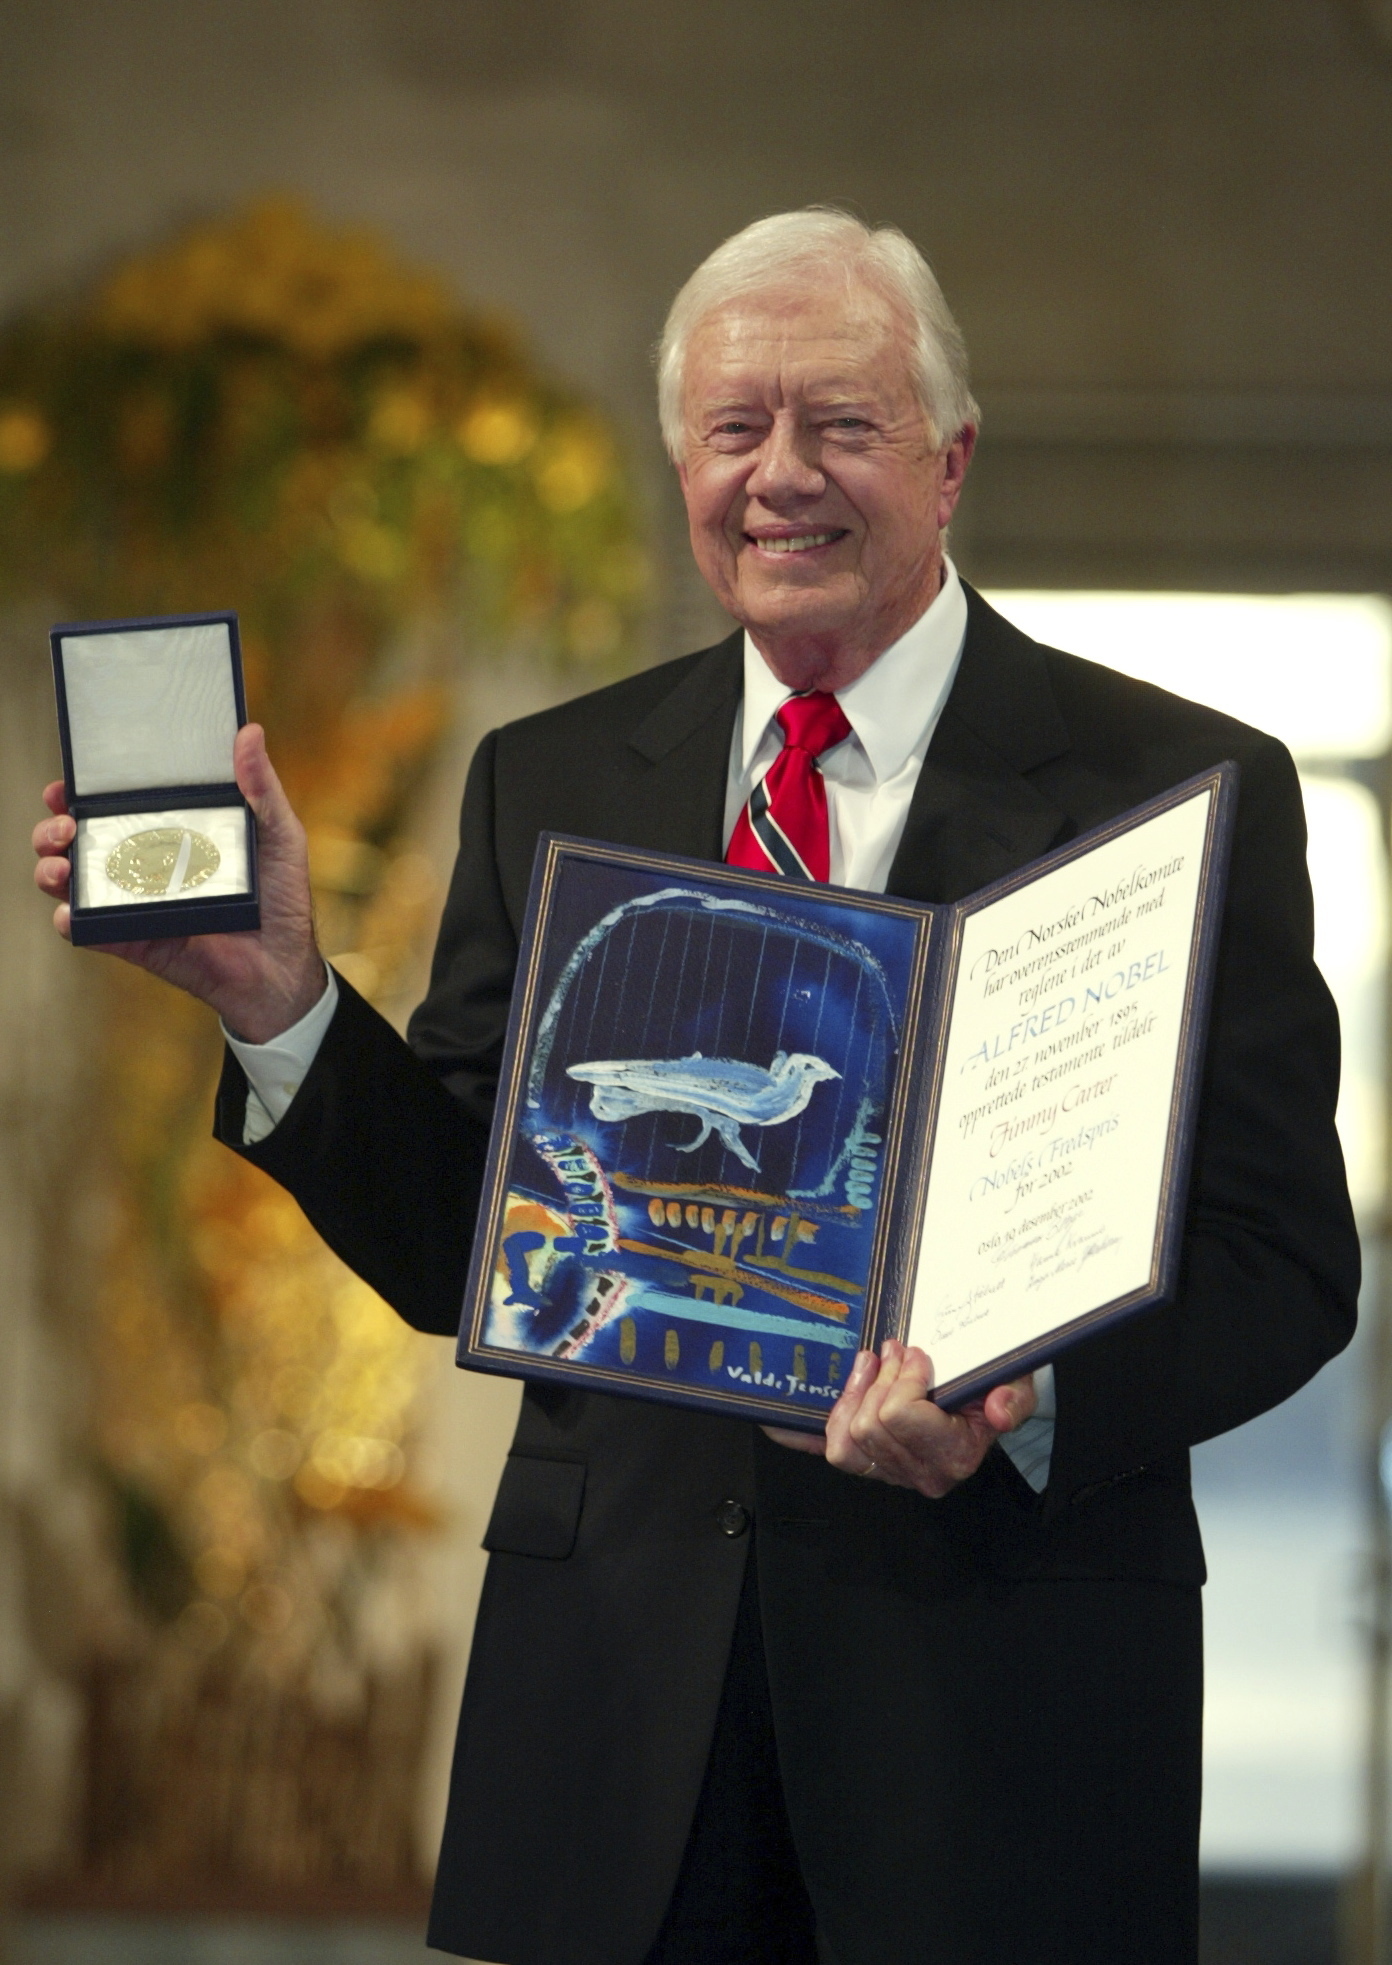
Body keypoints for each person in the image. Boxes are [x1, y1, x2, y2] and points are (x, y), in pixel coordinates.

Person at [34, 210, 1358, 1965]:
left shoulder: (1183, 787)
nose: (780, 477)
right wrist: (284, 1003)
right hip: (620, 1739)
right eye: (734, 431)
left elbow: (1285, 1266)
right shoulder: (556, 778)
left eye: (844, 425)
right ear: (683, 466)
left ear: (950, 462)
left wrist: (1027, 1405)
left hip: (998, 1733)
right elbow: (469, 1241)